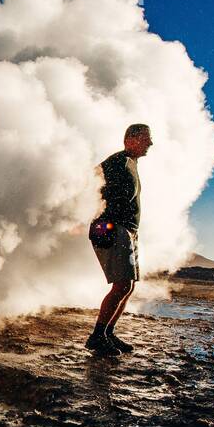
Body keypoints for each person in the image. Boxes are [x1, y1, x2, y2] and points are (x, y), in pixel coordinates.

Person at [86, 124, 153, 354]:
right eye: (146, 138)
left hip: (126, 230)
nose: (150, 143)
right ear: (130, 139)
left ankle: (107, 333)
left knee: (128, 286)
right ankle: (97, 336)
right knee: (122, 284)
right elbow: (92, 182)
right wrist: (104, 222)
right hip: (113, 228)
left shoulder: (131, 164)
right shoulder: (118, 162)